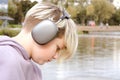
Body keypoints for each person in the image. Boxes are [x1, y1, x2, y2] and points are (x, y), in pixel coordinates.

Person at [0, 2, 78, 80]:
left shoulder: (34, 70)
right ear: (43, 32)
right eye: (57, 48)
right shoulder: (8, 60)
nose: (56, 57)